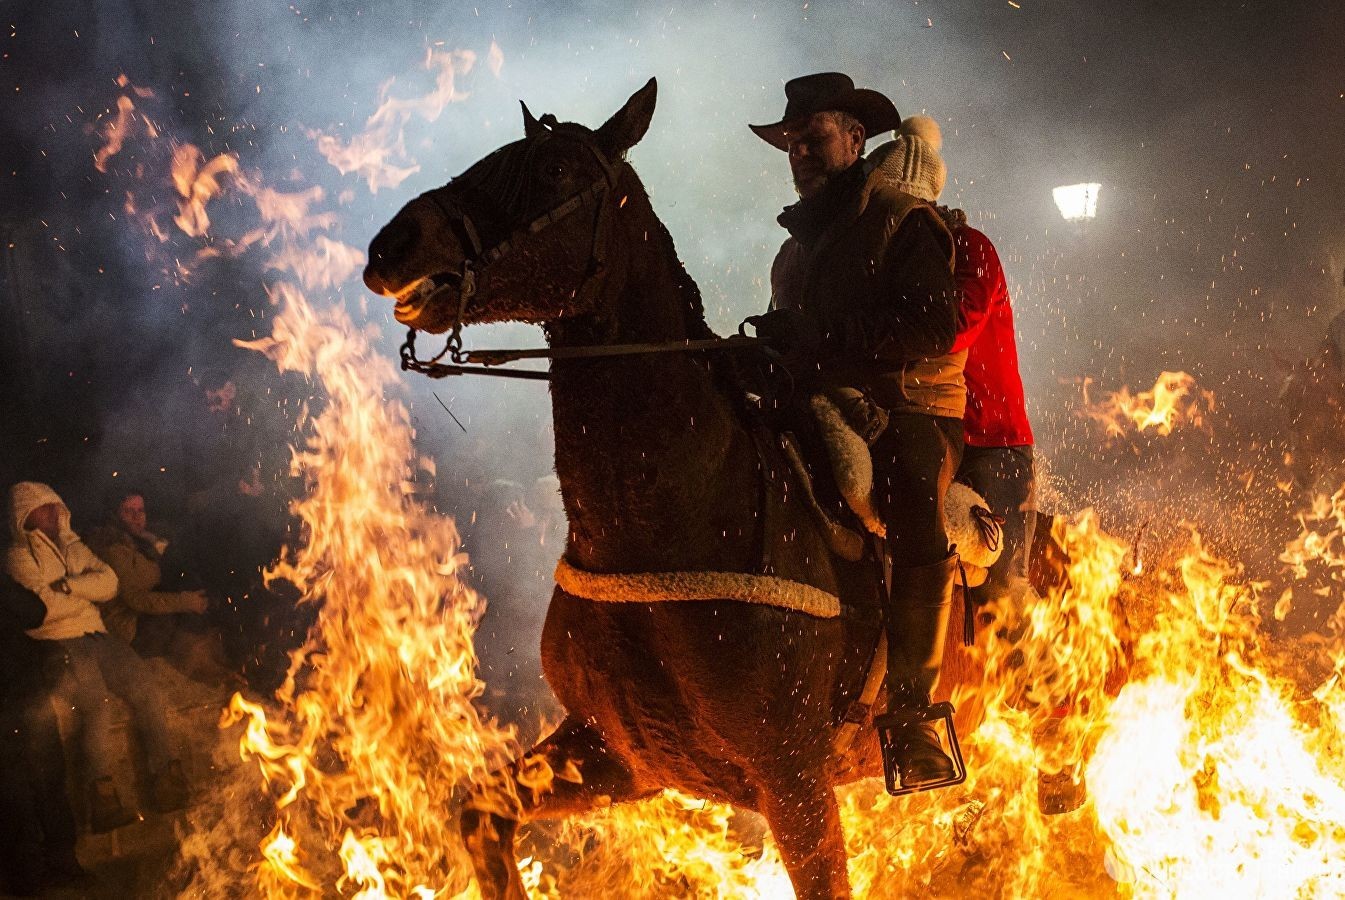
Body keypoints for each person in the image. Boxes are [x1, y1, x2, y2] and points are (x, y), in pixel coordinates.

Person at [748, 73, 966, 792]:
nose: (800, 151)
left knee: (907, 486)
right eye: (790, 142)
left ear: (853, 138)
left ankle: (913, 716)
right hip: (815, 394)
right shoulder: (794, 249)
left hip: (902, 411)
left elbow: (933, 326)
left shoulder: (901, 220)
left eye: (813, 137)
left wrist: (821, 339)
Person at [870, 116, 1036, 609]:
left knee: (1002, 595)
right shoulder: (890, 256)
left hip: (992, 442)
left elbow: (949, 330)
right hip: (930, 425)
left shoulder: (972, 249)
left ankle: (1031, 665)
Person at [5, 481, 189, 832]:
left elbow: (110, 584)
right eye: (43, 508)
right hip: (59, 640)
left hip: (97, 634)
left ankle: (167, 779)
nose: (53, 512)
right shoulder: (19, 556)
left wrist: (69, 587)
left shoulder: (74, 546)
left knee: (145, 687)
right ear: (24, 515)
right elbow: (41, 609)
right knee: (96, 705)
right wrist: (78, 594)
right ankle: (102, 799)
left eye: (54, 505)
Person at [87, 489, 231, 684]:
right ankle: (193, 663)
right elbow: (137, 600)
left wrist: (152, 540)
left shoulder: (137, 539)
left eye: (141, 510)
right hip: (125, 625)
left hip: (139, 611)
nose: (138, 517)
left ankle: (211, 651)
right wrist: (185, 602)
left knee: (194, 582)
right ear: (114, 515)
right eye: (129, 512)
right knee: (177, 612)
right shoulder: (113, 549)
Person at [0, 572, 85, 895]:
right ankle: (28, 879)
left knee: (50, 780)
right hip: (6, 705)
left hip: (27, 691)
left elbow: (34, 611)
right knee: (14, 793)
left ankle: (63, 863)